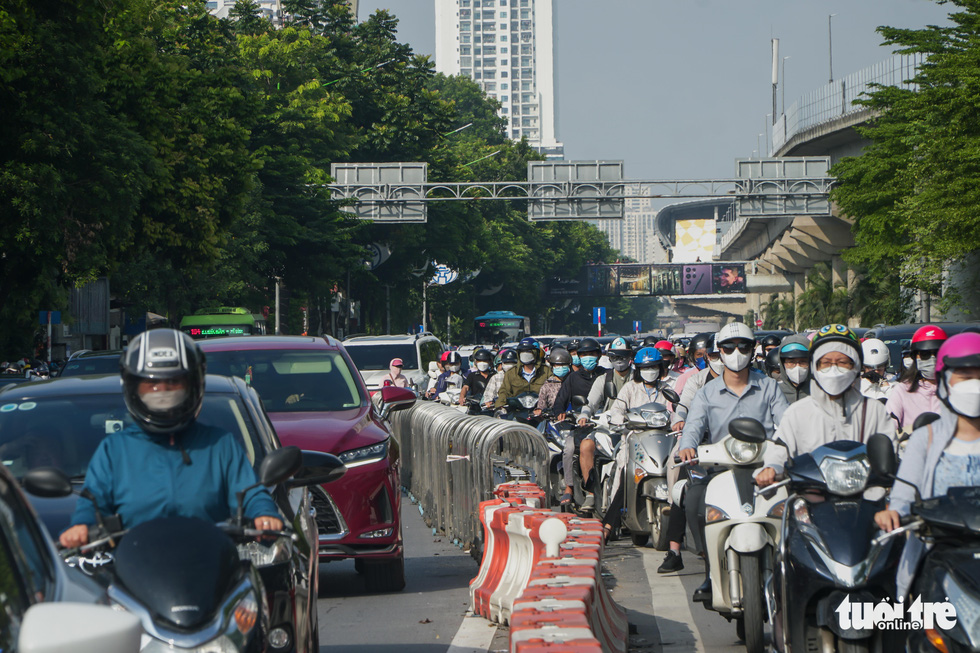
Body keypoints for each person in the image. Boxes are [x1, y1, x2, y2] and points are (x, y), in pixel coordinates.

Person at [59, 329, 282, 549]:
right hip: (135, 571)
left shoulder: (220, 445)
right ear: (133, 388)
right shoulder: (114, 450)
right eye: (152, 385)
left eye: (174, 383)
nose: (162, 392)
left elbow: (250, 492)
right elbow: (92, 502)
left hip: (211, 568)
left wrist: (264, 515)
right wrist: (83, 526)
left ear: (194, 386)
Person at [677, 321, 789, 601]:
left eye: (743, 346)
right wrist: (687, 446)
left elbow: (786, 425)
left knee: (797, 505)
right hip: (720, 469)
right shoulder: (706, 392)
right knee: (694, 501)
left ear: (753, 351)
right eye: (729, 347)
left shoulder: (769, 387)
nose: (736, 352)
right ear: (719, 352)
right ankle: (709, 571)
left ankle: (791, 568)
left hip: (767, 469)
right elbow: (693, 424)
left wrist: (788, 449)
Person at [874, 332, 980, 599]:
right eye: (965, 377)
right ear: (945, 383)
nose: (974, 385)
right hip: (938, 554)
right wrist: (894, 513)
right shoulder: (926, 438)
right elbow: (904, 493)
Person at [755, 324, 896, 489]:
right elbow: (779, 448)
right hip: (813, 498)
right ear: (815, 367)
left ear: (856, 366)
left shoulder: (874, 411)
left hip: (867, 498)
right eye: (826, 363)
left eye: (842, 362)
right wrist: (771, 468)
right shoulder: (797, 413)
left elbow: (892, 453)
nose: (833, 370)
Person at [885, 325, 947, 431]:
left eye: (937, 353)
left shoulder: (953, 390)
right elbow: (888, 427)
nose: (932, 359)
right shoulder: (902, 390)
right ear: (915, 357)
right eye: (925, 354)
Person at [579, 337, 635, 423]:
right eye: (614, 357)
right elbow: (591, 403)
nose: (619, 360)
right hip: (610, 424)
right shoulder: (603, 379)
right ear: (609, 358)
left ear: (630, 356)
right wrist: (584, 415)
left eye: (623, 356)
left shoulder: (638, 378)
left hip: (635, 424)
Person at [495, 337, 549, 411]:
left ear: (536, 352)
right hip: (517, 413)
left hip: (541, 413)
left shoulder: (547, 372)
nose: (525, 354)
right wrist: (500, 406)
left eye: (528, 351)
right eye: (522, 351)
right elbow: (504, 391)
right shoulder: (511, 373)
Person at [774, 335, 812, 404]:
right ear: (783, 364)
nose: (797, 367)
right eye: (791, 362)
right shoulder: (774, 392)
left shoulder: (819, 392)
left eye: (803, 362)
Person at [536, 347, 571, 416]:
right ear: (552, 367)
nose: (561, 367)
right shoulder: (547, 386)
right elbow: (541, 407)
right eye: (558, 365)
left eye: (564, 365)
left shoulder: (573, 381)